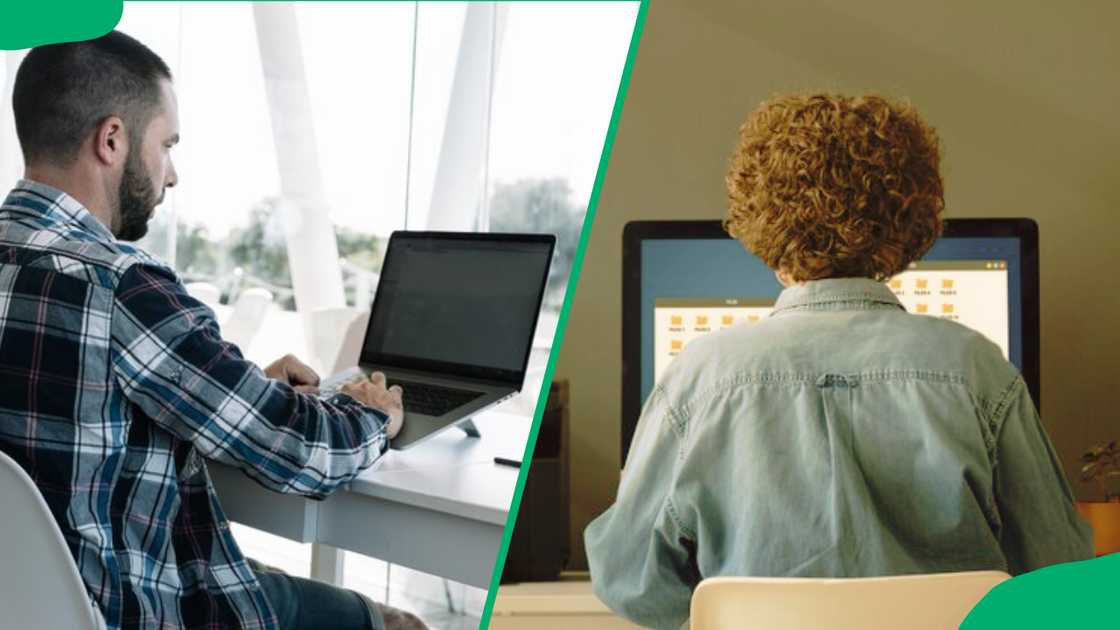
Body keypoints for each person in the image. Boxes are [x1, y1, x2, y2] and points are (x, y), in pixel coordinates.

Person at [584, 93, 1093, 629]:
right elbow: (1058, 568)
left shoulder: (698, 378)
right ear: (909, 220)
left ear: (761, 219)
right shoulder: (977, 369)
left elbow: (628, 578)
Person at [0, 32, 424, 630]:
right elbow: (303, 455)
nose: (171, 175)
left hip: (22, 607)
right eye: (166, 145)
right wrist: (374, 414)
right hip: (131, 609)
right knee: (400, 624)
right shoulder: (123, 285)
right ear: (112, 140)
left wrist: (241, 382)